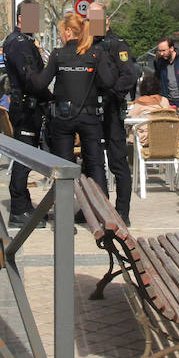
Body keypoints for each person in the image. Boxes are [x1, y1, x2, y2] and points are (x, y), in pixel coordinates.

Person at [32, 11, 119, 215]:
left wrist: (30, 76)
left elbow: (40, 84)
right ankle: (102, 213)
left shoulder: (58, 55)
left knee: (63, 166)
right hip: (90, 116)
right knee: (95, 164)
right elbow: (109, 82)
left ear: (69, 31)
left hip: (63, 117)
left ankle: (63, 216)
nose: (61, 36)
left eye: (62, 32)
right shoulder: (95, 54)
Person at [87, 2, 139, 221]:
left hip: (111, 109)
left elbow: (129, 75)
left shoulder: (117, 45)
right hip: (90, 110)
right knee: (92, 162)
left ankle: (122, 211)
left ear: (106, 20)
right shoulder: (87, 44)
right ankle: (98, 207)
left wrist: (111, 93)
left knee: (118, 161)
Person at [2, 0, 50, 227]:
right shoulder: (20, 44)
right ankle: (18, 210)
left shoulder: (23, 41)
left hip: (28, 106)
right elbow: (31, 79)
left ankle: (23, 204)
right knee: (23, 159)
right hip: (25, 108)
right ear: (20, 18)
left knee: (26, 158)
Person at [127, 74, 174, 144]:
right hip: (162, 137)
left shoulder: (139, 103)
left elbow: (129, 120)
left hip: (144, 138)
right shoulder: (164, 100)